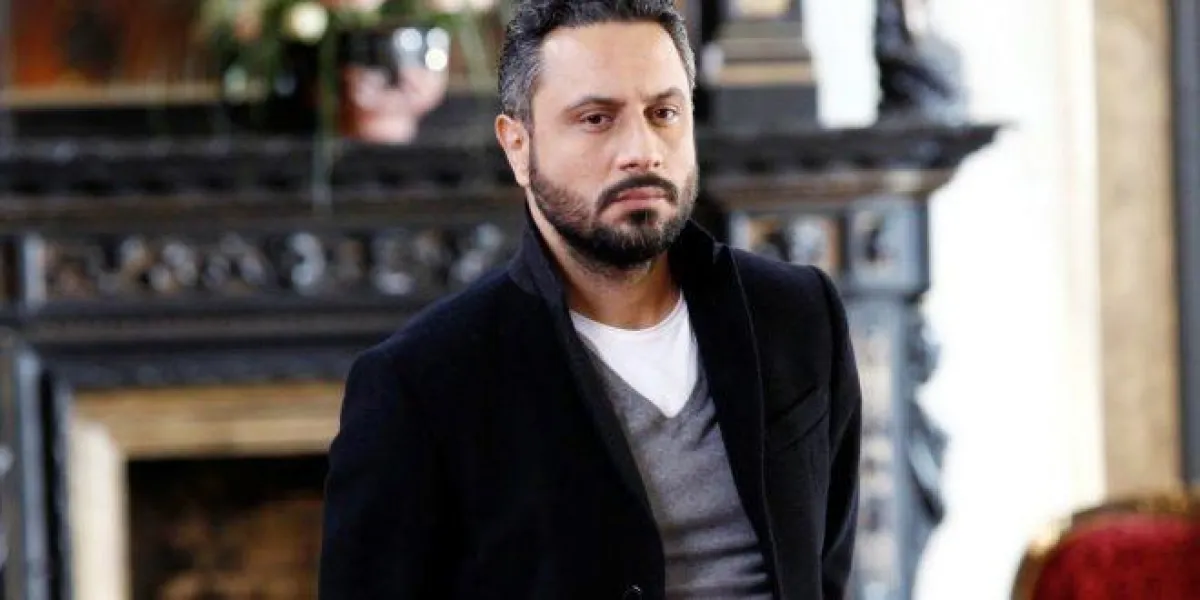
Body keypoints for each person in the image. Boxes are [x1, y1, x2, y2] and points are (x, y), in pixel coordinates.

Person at [317, 1, 862, 598]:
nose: (642, 150)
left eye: (664, 112)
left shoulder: (798, 315)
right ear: (517, 146)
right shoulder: (418, 383)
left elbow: (826, 572)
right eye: (597, 118)